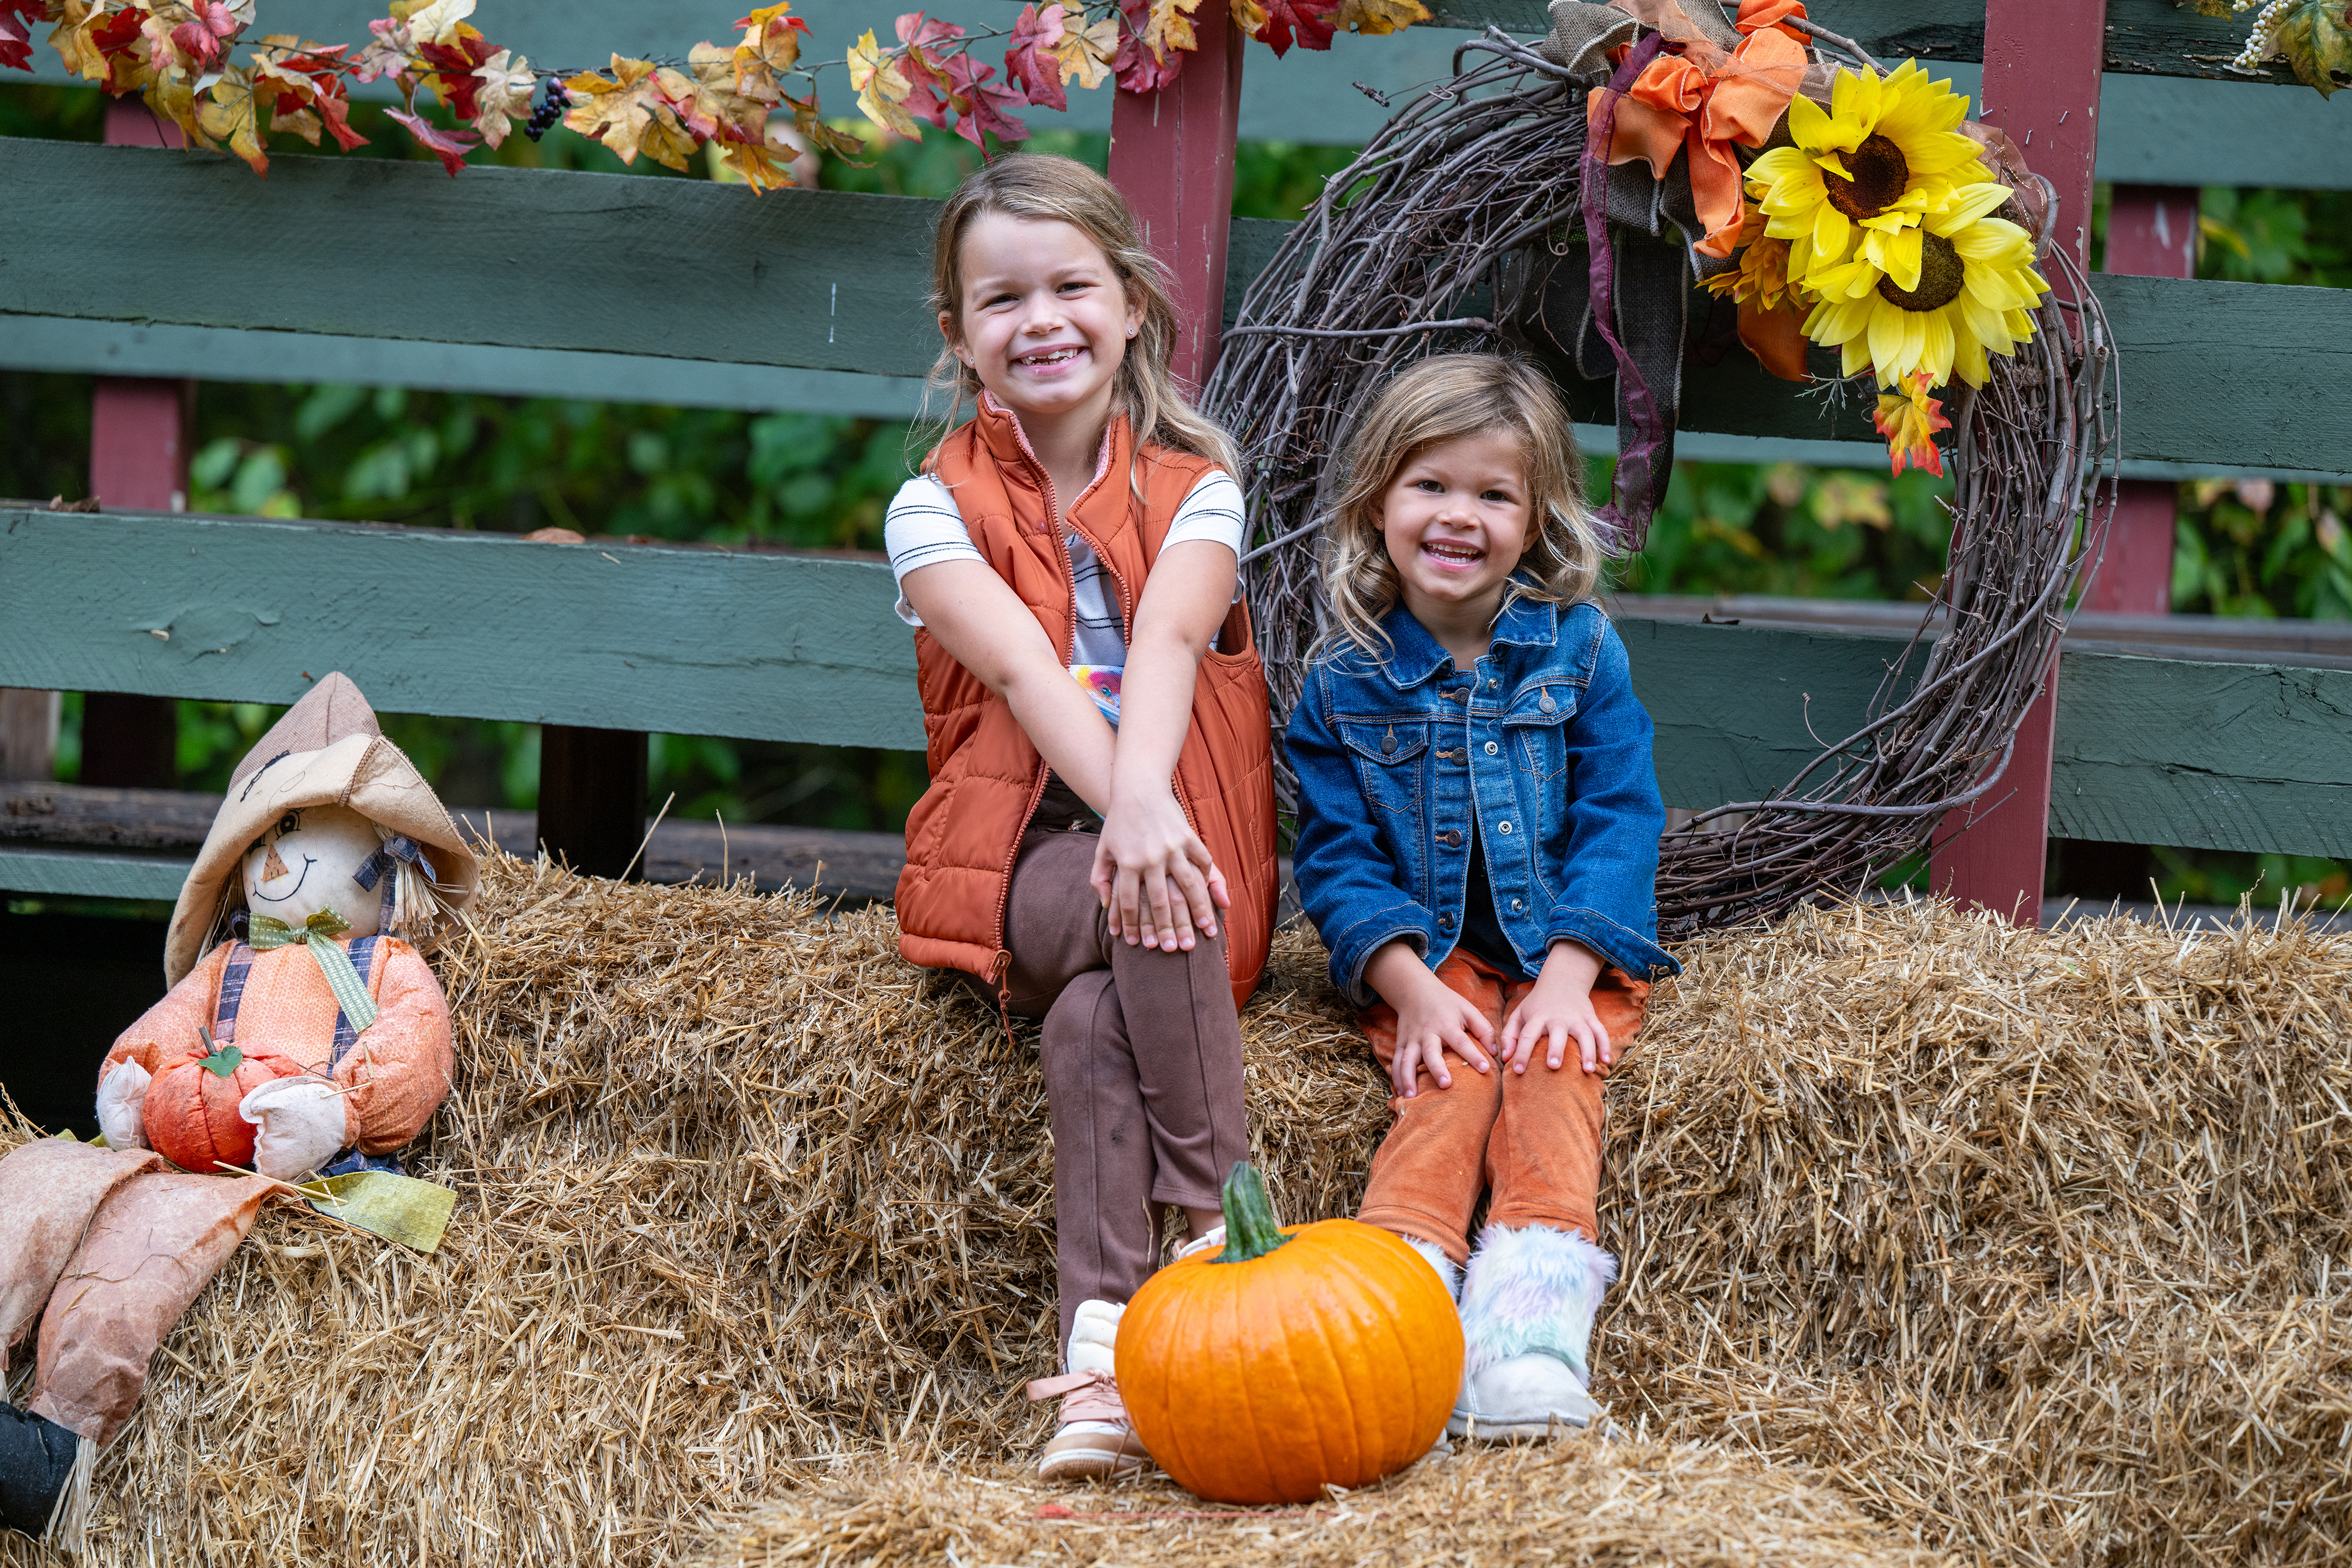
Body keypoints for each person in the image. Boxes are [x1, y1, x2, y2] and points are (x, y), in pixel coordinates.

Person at [885, 153, 1277, 1481]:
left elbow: (1165, 643)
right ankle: (1230, 1223)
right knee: (1132, 893)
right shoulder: (930, 506)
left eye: (1069, 285)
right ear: (960, 335)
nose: (1038, 319)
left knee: (1092, 1015)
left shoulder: (1199, 484)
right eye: (1001, 298)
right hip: (1022, 857)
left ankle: (1103, 1366)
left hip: (1175, 832)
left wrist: (1149, 813)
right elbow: (1021, 672)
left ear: (1129, 306)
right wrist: (1131, 822)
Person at [1284, 353, 1679, 1438]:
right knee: (1449, 1081)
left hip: (1565, 945)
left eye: (1494, 494)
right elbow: (1337, 858)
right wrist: (1406, 986)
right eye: (1432, 486)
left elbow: (1620, 815)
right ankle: (1400, 1308)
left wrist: (1569, 975)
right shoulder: (1342, 683)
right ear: (1377, 503)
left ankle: (1526, 1337)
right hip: (1434, 952)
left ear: (1538, 519)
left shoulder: (1581, 652)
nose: (1460, 516)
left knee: (1553, 1070)